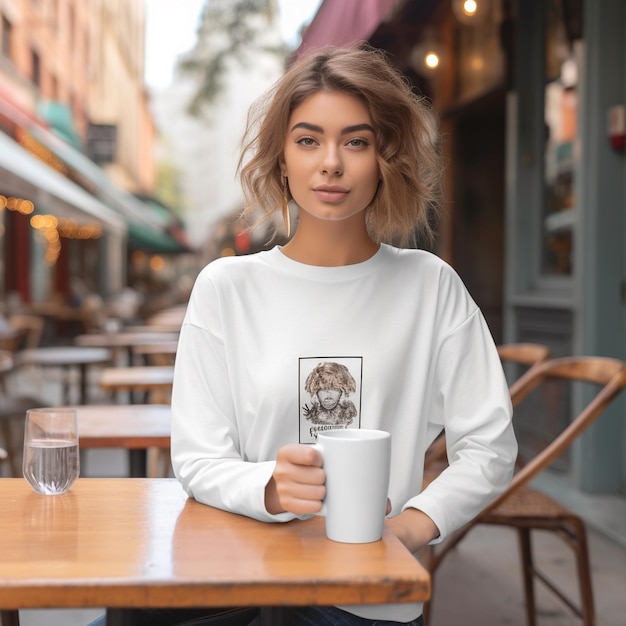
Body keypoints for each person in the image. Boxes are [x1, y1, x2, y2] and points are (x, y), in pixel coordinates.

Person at [91, 44, 517, 626]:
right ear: (282, 158)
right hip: (238, 576)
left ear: (385, 157)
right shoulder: (226, 287)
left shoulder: (430, 286)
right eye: (309, 139)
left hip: (362, 599)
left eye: (357, 141)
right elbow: (196, 457)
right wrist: (269, 486)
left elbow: (489, 448)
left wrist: (412, 526)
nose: (331, 163)